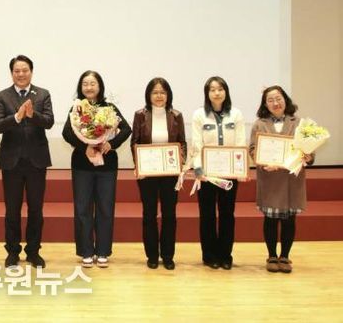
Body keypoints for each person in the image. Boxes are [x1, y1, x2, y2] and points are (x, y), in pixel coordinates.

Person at [62, 70, 131, 268]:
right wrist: (85, 147)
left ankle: (102, 251)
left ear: (99, 86)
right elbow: (67, 132)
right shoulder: (77, 109)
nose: (89, 87)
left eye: (93, 83)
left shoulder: (109, 108)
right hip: (82, 164)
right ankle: (86, 251)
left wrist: (111, 143)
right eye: (85, 84)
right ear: (80, 87)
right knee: (82, 208)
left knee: (105, 208)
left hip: (107, 165)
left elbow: (126, 129)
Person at [0, 55, 54, 268]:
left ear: (31, 72)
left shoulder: (43, 94)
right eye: (17, 71)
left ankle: (33, 251)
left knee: (36, 209)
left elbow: (49, 122)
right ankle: (12, 251)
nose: (21, 74)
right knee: (12, 210)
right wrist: (17, 117)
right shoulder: (2, 96)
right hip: (12, 161)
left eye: (25, 70)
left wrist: (32, 114)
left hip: (36, 161)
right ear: (12, 73)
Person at [249, 85, 313, 274]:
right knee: (270, 219)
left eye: (278, 98)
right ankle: (271, 255)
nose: (275, 103)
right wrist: (261, 160)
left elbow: (308, 151)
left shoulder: (299, 123)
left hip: (291, 179)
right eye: (270, 100)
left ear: (285, 100)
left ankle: (284, 255)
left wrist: (308, 155)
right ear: (265, 104)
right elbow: (253, 149)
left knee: (289, 220)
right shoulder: (259, 124)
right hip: (269, 178)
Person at [131, 77, 186, 270]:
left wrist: (180, 163)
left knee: (169, 214)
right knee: (149, 214)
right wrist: (139, 165)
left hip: (170, 173)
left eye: (163, 92)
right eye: (155, 92)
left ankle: (168, 255)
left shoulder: (176, 116)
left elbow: (182, 143)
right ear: (148, 95)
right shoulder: (140, 115)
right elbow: (135, 142)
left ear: (168, 95)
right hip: (147, 174)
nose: (159, 96)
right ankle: (152, 255)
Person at [191, 76, 246, 270]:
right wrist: (198, 169)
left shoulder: (236, 114)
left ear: (226, 92)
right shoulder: (199, 115)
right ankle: (209, 255)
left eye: (220, 89)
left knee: (227, 214)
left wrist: (240, 169)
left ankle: (225, 255)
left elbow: (240, 142)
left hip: (229, 173)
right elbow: (196, 144)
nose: (216, 93)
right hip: (206, 174)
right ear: (207, 93)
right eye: (212, 89)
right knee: (207, 215)